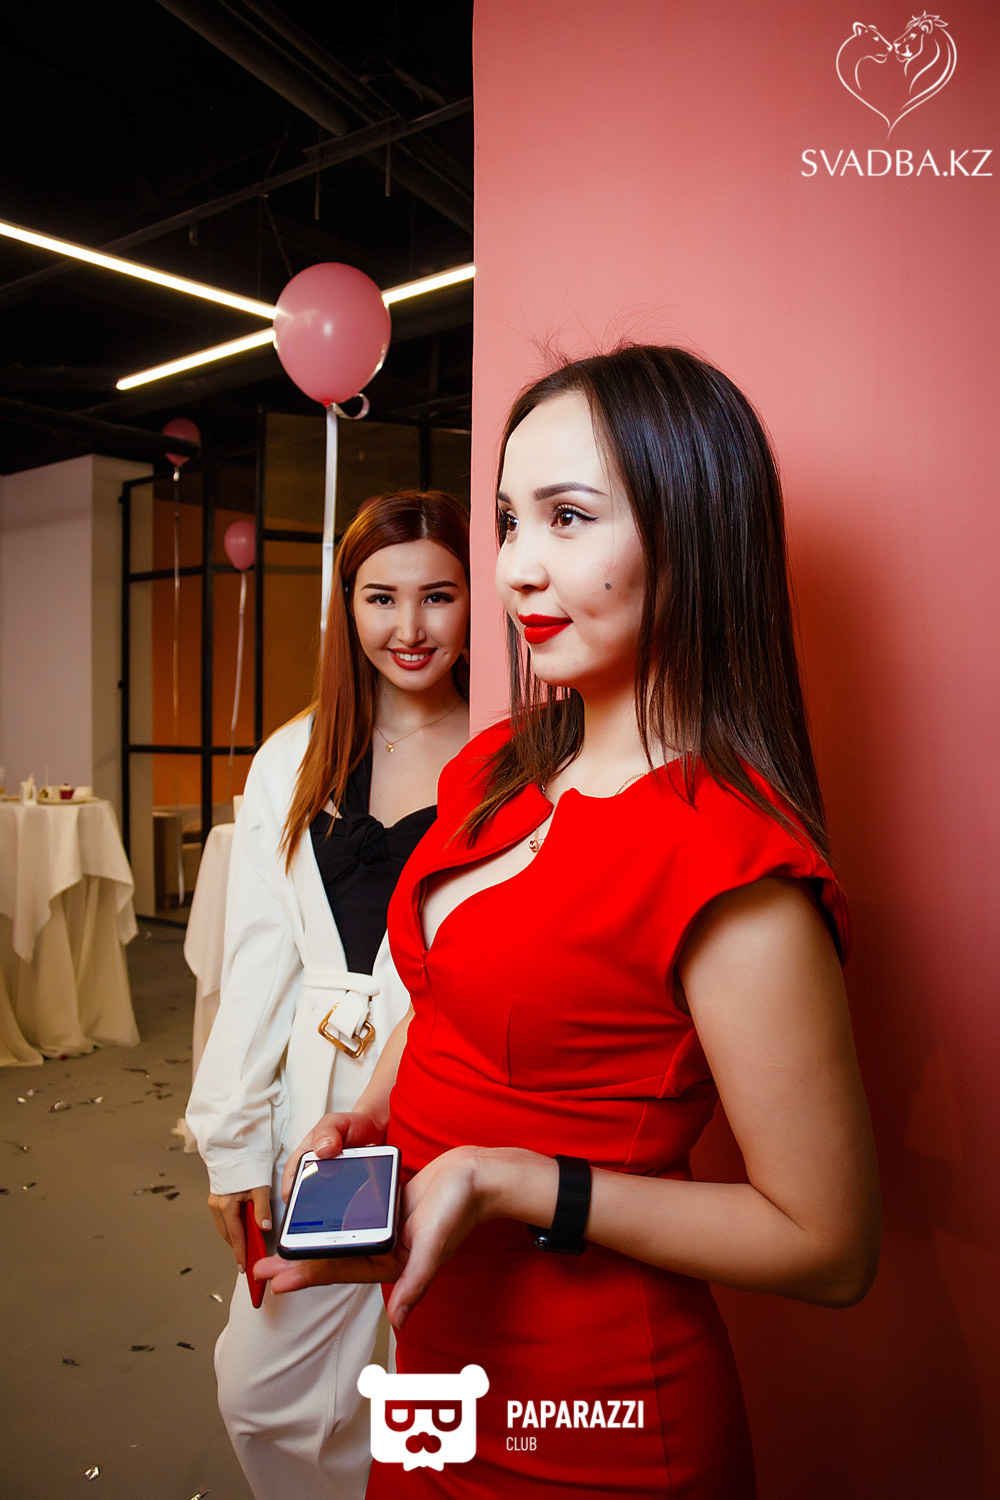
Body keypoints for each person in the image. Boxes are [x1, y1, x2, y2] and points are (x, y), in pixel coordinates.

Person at [258, 347, 881, 1498]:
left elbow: (829, 1245)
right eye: (508, 520)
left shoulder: (731, 867)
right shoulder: (498, 763)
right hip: (435, 1372)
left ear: (693, 535)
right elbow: (443, 989)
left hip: (601, 1421)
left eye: (569, 517)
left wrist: (515, 1181)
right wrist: (370, 1115)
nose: (515, 568)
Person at [186, 489, 470, 1500]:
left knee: (446, 1367)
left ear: (473, 600)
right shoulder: (293, 756)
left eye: (438, 595)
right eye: (380, 597)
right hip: (323, 1126)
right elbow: (255, 965)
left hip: (449, 1099)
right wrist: (232, 1147)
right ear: (346, 606)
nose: (409, 627)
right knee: (265, 1389)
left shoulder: (510, 758)